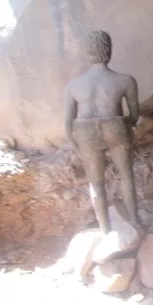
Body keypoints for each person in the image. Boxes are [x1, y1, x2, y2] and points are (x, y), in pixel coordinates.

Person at [64, 30, 139, 233]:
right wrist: (125, 127)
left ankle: (105, 230)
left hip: (85, 132)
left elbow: (68, 123)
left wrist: (75, 142)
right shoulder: (125, 80)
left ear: (87, 53)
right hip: (117, 127)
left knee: (96, 183)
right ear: (109, 50)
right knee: (126, 176)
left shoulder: (73, 85)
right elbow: (134, 115)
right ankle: (135, 222)